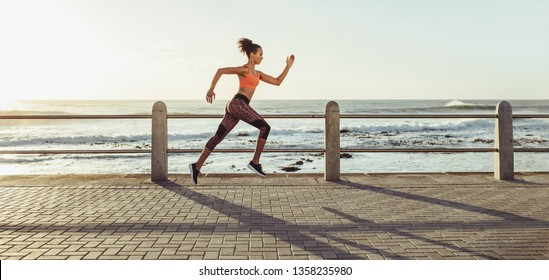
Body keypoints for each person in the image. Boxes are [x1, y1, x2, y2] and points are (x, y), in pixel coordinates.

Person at [189, 38, 295, 184]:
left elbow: (277, 82)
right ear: (252, 54)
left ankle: (196, 166)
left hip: (235, 106)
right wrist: (211, 89)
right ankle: (255, 162)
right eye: (260, 54)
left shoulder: (258, 74)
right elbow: (220, 71)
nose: (262, 57)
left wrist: (288, 67)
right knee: (265, 127)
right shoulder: (244, 70)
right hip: (238, 104)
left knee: (218, 137)